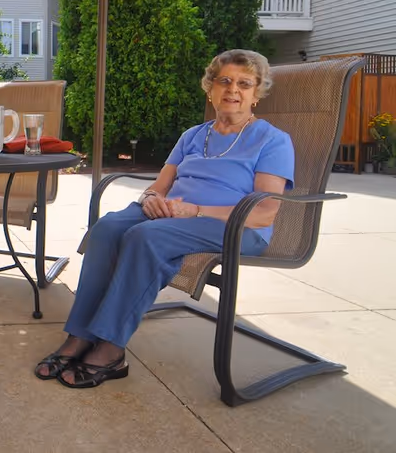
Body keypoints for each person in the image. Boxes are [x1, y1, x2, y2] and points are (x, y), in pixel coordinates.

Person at [35, 49, 294, 389]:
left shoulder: (273, 140)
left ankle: (111, 349)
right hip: (174, 214)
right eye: (225, 81)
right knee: (109, 227)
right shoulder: (192, 135)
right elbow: (158, 186)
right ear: (210, 88)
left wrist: (195, 210)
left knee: (146, 237)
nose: (234, 90)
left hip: (234, 226)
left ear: (256, 93)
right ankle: (80, 335)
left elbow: (264, 212)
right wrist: (155, 200)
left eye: (245, 83)